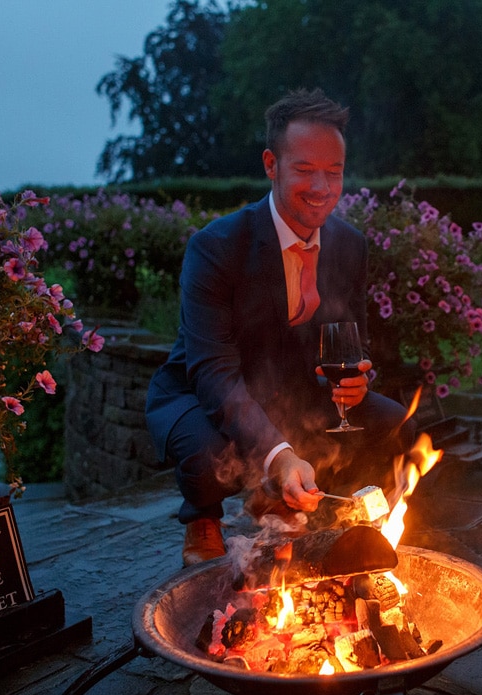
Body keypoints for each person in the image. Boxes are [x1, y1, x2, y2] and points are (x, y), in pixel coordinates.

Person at [146, 88, 415, 566]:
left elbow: (354, 339)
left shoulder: (349, 244)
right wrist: (279, 452)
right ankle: (202, 517)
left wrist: (356, 378)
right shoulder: (217, 247)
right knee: (210, 452)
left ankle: (309, 506)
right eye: (305, 169)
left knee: (389, 419)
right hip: (203, 391)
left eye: (333, 172)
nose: (322, 187)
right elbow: (212, 373)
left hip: (292, 387)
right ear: (271, 164)